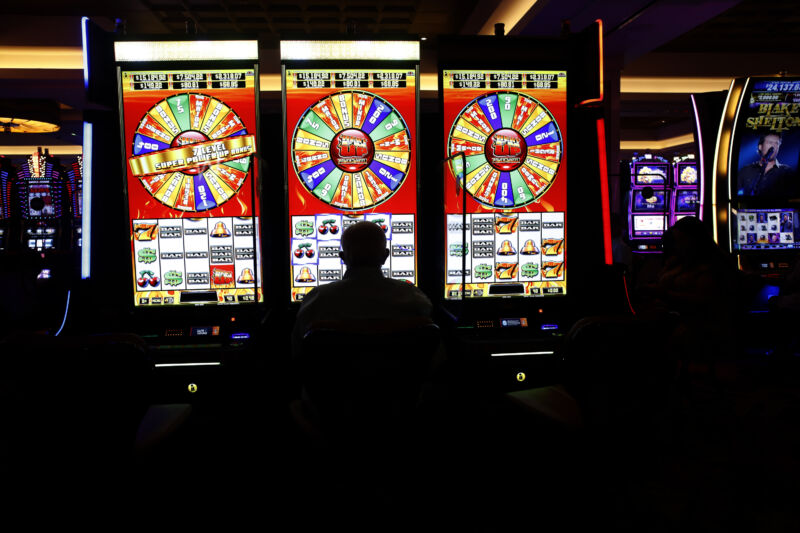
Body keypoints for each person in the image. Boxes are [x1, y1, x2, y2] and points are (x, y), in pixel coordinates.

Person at [291, 220, 433, 354]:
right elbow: (434, 357)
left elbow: (298, 355)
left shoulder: (317, 300)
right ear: (385, 256)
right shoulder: (413, 298)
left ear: (342, 257)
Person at [738, 133, 795, 197]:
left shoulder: (787, 172)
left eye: (777, 143)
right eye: (770, 142)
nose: (774, 146)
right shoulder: (746, 171)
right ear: (760, 147)